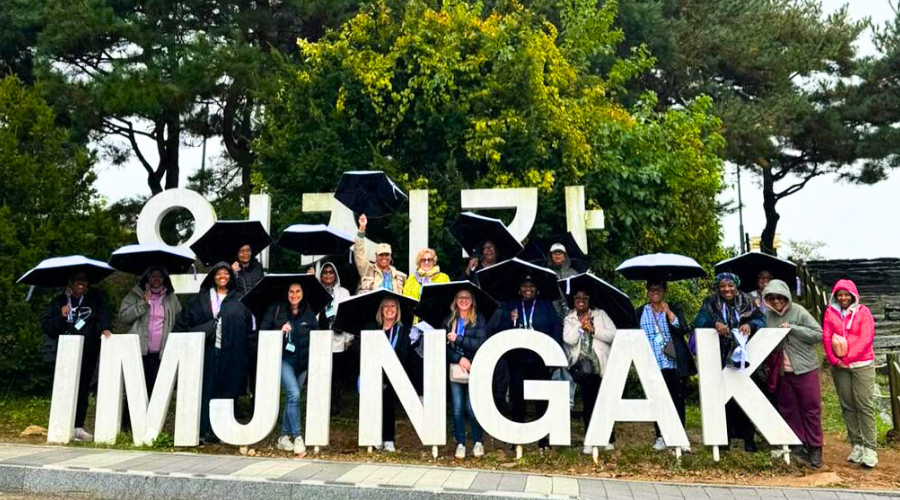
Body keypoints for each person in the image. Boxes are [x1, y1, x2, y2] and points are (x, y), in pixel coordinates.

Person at [174, 263, 255, 443]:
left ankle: (222, 431)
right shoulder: (200, 298)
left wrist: (251, 354)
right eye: (219, 273)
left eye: (226, 273)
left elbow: (249, 330)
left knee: (226, 391)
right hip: (206, 351)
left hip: (231, 353)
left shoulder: (239, 300)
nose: (223, 276)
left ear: (231, 277)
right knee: (205, 390)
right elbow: (184, 322)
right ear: (213, 277)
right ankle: (203, 430)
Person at [694, 272, 765, 452]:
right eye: (723, 286)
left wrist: (750, 325)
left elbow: (761, 320)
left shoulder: (747, 301)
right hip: (719, 355)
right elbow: (699, 320)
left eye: (730, 285)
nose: (727, 289)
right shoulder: (710, 302)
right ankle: (723, 437)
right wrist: (714, 322)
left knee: (745, 395)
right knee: (722, 397)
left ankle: (749, 437)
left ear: (736, 286)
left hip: (742, 355)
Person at [40, 272, 112, 442]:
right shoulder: (59, 301)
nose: (81, 283)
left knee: (83, 387)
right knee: (64, 388)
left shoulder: (96, 298)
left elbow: (104, 316)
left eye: (84, 280)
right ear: (70, 283)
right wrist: (60, 315)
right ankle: (62, 424)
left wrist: (105, 328)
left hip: (88, 350)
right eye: (78, 280)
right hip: (64, 352)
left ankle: (78, 426)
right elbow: (46, 326)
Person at [761, 279, 824, 467]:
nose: (776, 301)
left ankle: (815, 447)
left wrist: (793, 329)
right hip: (782, 372)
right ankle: (799, 444)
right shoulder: (769, 317)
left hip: (805, 369)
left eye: (779, 297)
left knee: (811, 410)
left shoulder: (799, 311)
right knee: (789, 410)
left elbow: (818, 334)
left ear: (786, 296)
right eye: (771, 298)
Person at [114, 266, 182, 431]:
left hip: (161, 353)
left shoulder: (172, 298)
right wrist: (143, 304)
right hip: (139, 351)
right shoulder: (135, 295)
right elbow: (123, 317)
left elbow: (179, 320)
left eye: (160, 276)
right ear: (147, 278)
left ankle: (149, 426)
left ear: (165, 279)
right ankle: (128, 426)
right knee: (135, 389)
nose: (156, 279)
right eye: (153, 276)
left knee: (155, 389)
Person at [498, 275, 562, 451]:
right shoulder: (512, 305)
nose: (528, 288)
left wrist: (553, 354)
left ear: (537, 289)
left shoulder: (546, 305)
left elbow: (556, 328)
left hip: (541, 360)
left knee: (542, 399)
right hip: (518, 360)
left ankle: (543, 439)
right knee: (518, 398)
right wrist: (512, 321)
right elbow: (501, 331)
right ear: (519, 289)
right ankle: (517, 436)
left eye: (531, 286)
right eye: (524, 286)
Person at [822, 279, 878, 468]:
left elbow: (866, 338)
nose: (843, 298)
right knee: (847, 405)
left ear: (853, 295)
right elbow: (827, 336)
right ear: (835, 296)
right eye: (840, 295)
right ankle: (857, 445)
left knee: (864, 405)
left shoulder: (863, 313)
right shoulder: (831, 312)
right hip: (840, 366)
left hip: (862, 364)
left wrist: (848, 358)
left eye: (846, 294)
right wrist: (834, 359)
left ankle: (870, 448)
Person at [636, 280, 695, 452]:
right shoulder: (641, 311)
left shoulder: (673, 308)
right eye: (652, 289)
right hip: (652, 363)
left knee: (677, 399)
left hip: (673, 362)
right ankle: (661, 435)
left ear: (664, 291)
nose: (655, 292)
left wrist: (669, 313)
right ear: (647, 291)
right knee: (658, 400)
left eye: (659, 288)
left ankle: (679, 435)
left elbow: (683, 328)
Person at [262, 282, 317, 456]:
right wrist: (279, 330)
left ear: (303, 293)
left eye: (298, 291)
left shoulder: (309, 313)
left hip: (302, 363)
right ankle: (298, 437)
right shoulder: (276, 309)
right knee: (294, 395)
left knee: (292, 399)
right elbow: (263, 332)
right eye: (291, 291)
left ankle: (283, 437)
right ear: (286, 294)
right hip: (284, 359)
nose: (294, 295)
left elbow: (316, 337)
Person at [562, 289, 616, 454]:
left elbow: (613, 335)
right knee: (589, 403)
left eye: (584, 298)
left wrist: (593, 330)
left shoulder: (601, 315)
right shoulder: (569, 318)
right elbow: (568, 340)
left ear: (588, 299)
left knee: (604, 402)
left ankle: (608, 438)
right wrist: (580, 325)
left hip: (601, 364)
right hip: (583, 368)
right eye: (577, 298)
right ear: (573, 300)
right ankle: (590, 439)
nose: (581, 300)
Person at [362, 296, 411, 452]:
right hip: (373, 372)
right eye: (386, 307)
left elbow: (404, 353)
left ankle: (388, 439)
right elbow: (362, 348)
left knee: (388, 405)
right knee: (373, 405)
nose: (390, 309)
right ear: (381, 311)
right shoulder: (372, 328)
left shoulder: (403, 330)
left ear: (397, 311)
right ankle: (374, 436)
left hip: (392, 374)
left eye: (393, 307)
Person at [444, 289, 488, 459]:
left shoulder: (479, 319)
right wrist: (459, 357)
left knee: (472, 407)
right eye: (460, 297)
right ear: (455, 300)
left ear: (472, 301)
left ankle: (478, 441)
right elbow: (443, 345)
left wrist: (459, 339)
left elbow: (481, 343)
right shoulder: (449, 320)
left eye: (467, 297)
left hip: (475, 367)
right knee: (457, 408)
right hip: (456, 367)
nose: (463, 300)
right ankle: (460, 443)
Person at [403, 248, 451, 398]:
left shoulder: (443, 277)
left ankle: (435, 399)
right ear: (419, 262)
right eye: (423, 260)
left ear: (434, 261)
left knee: (435, 366)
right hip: (418, 327)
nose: (426, 262)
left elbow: (447, 300)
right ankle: (419, 399)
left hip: (436, 326)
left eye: (429, 259)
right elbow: (407, 300)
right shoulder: (412, 278)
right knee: (417, 365)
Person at [354, 214, 406, 293]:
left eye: (387, 254)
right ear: (376, 256)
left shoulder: (400, 276)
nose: (384, 257)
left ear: (391, 257)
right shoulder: (367, 270)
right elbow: (358, 253)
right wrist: (362, 229)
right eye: (381, 254)